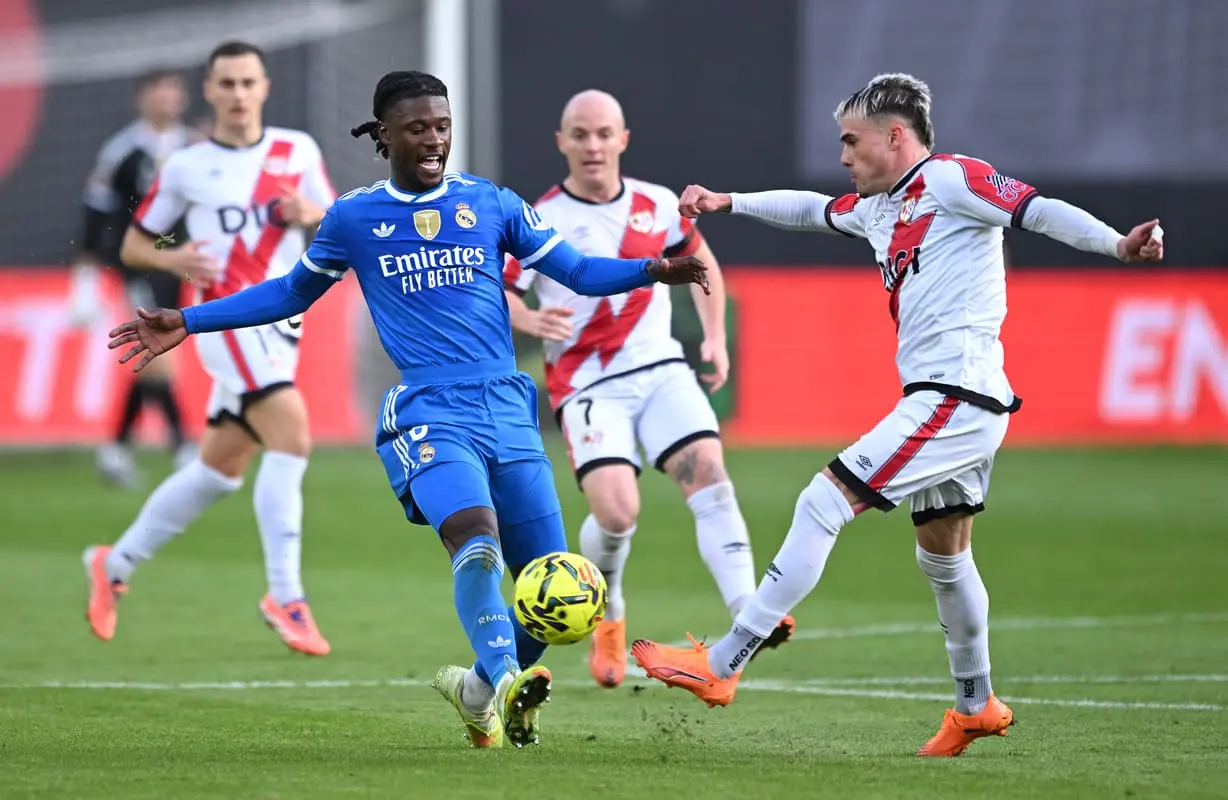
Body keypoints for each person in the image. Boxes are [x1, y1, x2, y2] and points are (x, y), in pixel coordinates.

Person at [105, 70, 710, 748]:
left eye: (442, 126)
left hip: (508, 409)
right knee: (475, 540)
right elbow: (289, 293)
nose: (433, 140)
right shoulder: (354, 217)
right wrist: (189, 319)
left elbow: (575, 270)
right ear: (383, 135)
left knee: (550, 586)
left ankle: (476, 691)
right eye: (417, 128)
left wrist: (650, 269)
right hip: (430, 410)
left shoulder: (490, 203)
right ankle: (506, 679)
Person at [629, 73, 1164, 757]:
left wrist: (1117, 245)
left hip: (957, 395)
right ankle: (976, 706)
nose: (843, 156)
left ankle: (724, 662)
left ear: (895, 136)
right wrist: (728, 202)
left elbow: (1036, 210)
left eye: (851, 142)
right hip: (951, 397)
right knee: (944, 556)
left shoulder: (952, 179)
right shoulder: (879, 206)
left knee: (823, 500)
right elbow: (810, 209)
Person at [503, 89, 793, 690]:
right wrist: (527, 317)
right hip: (588, 381)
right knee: (616, 513)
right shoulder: (539, 218)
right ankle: (608, 612)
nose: (592, 145)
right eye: (580, 134)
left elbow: (702, 262)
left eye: (603, 133)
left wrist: (714, 339)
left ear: (623, 139)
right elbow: (499, 291)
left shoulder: (657, 204)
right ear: (561, 142)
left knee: (709, 474)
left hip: (661, 369)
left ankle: (748, 614)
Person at [82, 41, 338, 657]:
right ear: (211, 91)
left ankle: (114, 563)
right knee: (292, 434)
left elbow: (334, 222)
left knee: (219, 470)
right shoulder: (187, 166)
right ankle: (286, 595)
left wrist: (312, 212)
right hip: (223, 319)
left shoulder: (297, 150)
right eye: (227, 83)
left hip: (282, 320)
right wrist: (175, 258)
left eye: (248, 82)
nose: (238, 94)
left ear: (265, 87)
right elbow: (135, 246)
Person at [73, 69, 196, 487]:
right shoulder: (123, 150)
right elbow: (96, 209)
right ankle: (182, 444)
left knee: (156, 354)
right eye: (158, 92)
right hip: (138, 262)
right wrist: (86, 270)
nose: (166, 100)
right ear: (142, 98)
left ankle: (116, 448)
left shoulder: (194, 147)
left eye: (173, 92)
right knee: (160, 350)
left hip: (181, 263)